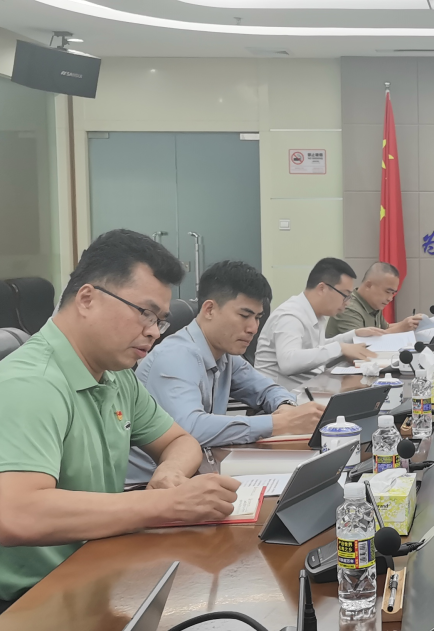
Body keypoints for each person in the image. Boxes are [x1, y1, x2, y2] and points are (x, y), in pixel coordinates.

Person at [0, 229, 240, 609]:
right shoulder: (32, 383)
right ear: (87, 299)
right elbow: (15, 514)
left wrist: (169, 474)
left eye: (160, 320)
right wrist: (165, 505)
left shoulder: (116, 376)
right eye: (145, 313)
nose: (153, 332)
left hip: (97, 569)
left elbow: (180, 441)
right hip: (31, 600)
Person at [128, 261, 327, 485]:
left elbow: (266, 389)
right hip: (148, 486)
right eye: (244, 315)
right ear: (210, 310)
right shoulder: (175, 356)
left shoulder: (225, 354)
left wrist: (286, 406)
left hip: (202, 470)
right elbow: (190, 428)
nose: (253, 328)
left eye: (258, 317)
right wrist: (279, 423)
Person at [254, 258, 378, 390]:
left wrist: (353, 335)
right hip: (279, 396)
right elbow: (288, 362)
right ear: (322, 288)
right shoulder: (290, 315)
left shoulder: (314, 313)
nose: (347, 303)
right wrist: (340, 348)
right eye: (345, 295)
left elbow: (317, 348)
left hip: (305, 389)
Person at [325, 262, 425, 337]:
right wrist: (401, 328)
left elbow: (385, 328)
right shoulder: (348, 308)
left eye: (393, 293)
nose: (390, 298)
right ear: (369, 285)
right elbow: (360, 345)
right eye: (387, 291)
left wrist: (410, 323)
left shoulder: (372, 304)